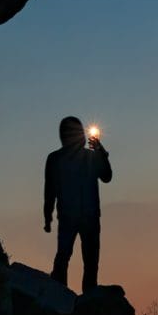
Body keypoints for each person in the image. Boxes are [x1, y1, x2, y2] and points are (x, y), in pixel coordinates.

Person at [44, 116, 112, 292]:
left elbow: (106, 176)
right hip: (71, 216)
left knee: (89, 262)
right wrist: (47, 215)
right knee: (64, 259)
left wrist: (101, 152)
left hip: (88, 216)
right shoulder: (55, 159)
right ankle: (60, 298)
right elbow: (50, 189)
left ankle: (86, 301)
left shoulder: (90, 156)